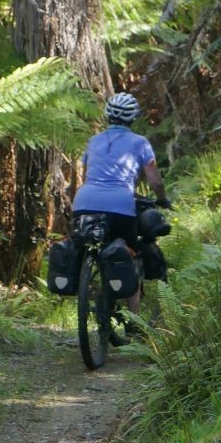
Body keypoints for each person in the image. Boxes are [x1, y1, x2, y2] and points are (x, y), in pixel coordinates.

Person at [72, 91, 170, 327]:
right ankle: (134, 321)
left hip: (83, 202)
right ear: (133, 117)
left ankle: (89, 284)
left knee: (86, 244)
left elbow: (85, 174)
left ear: (108, 116)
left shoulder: (94, 141)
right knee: (130, 253)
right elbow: (154, 180)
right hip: (120, 205)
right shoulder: (139, 143)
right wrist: (162, 199)